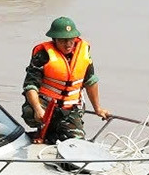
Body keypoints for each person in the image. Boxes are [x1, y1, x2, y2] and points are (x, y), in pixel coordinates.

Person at [22, 16, 111, 145]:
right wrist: (37, 109)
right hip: (47, 105)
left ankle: (55, 133)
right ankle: (46, 130)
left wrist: (98, 109)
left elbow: (90, 81)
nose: (68, 44)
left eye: (71, 39)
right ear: (54, 39)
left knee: (76, 142)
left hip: (70, 108)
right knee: (30, 113)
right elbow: (30, 86)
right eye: (63, 40)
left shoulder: (83, 53)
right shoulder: (42, 55)